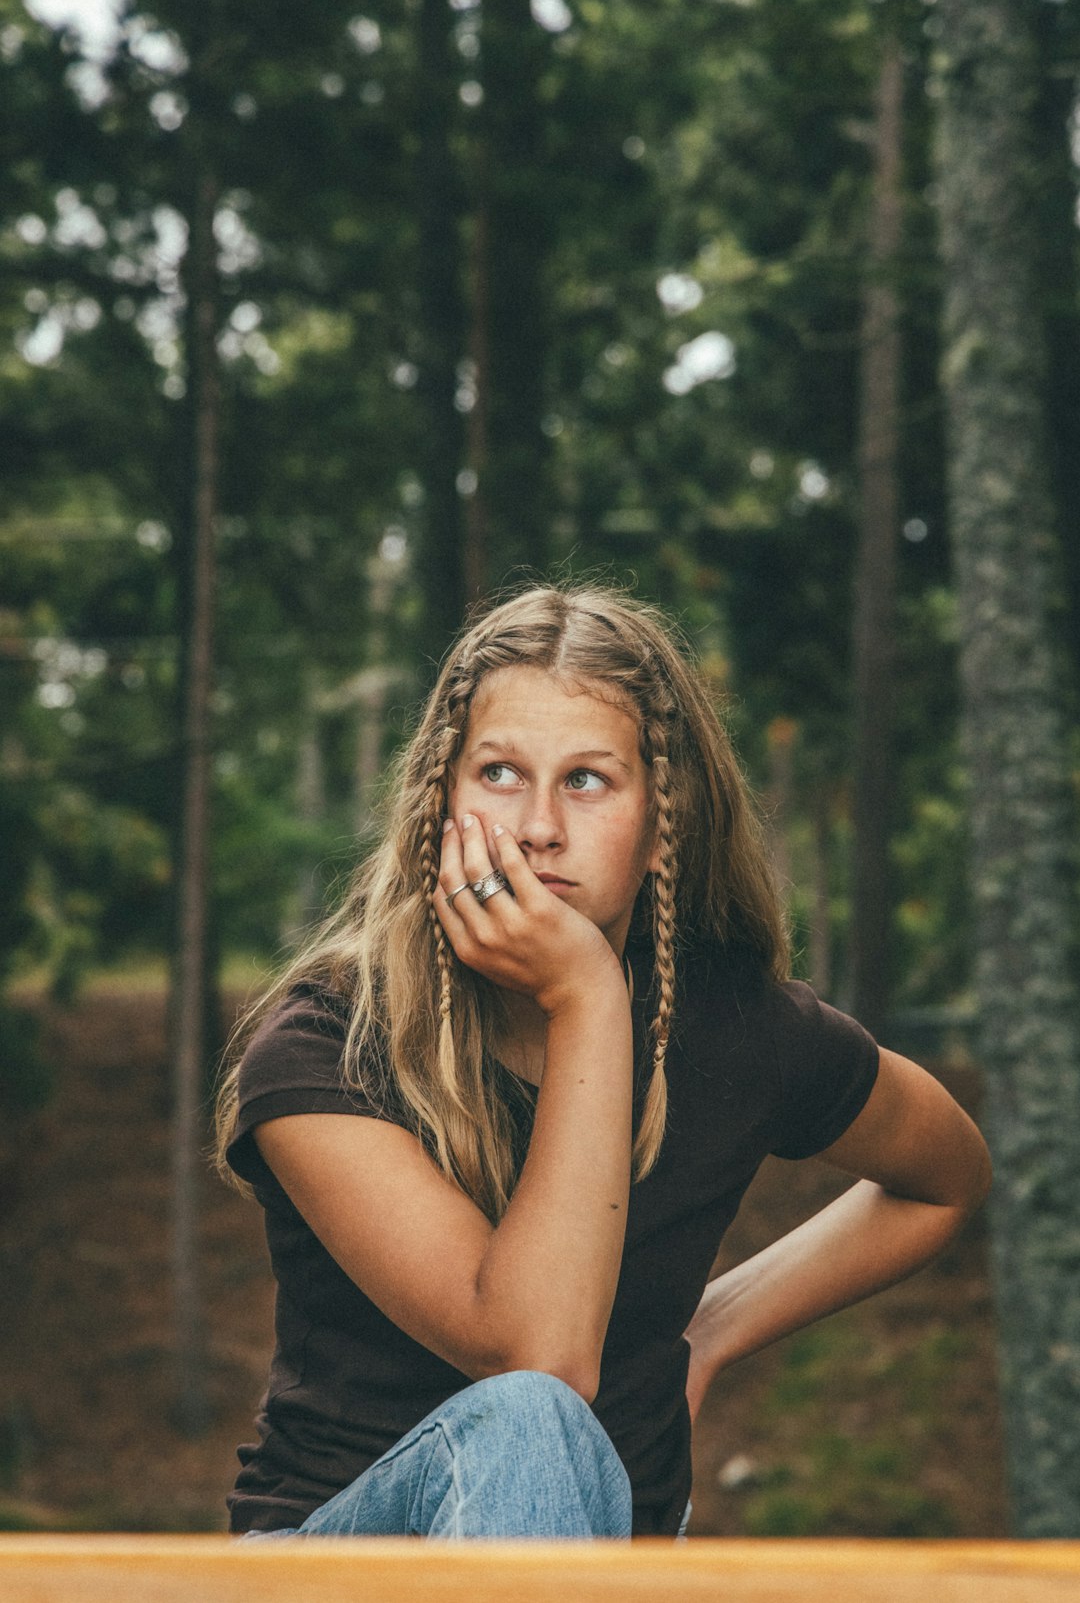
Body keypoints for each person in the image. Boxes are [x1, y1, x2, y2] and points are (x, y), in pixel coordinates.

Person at [214, 580, 991, 1542]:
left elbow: (946, 1178)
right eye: (499, 773)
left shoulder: (736, 1030)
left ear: (662, 822)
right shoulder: (326, 1046)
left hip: (600, 1565)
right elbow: (538, 1359)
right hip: (332, 1555)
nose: (538, 827)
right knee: (531, 1419)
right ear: (438, 801)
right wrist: (587, 996)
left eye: (587, 781)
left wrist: (713, 1327)